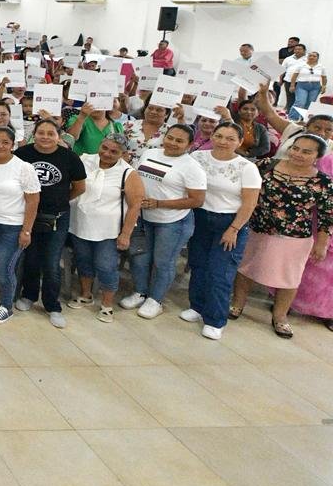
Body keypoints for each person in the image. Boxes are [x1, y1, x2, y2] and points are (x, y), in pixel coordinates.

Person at [231, 133, 333, 338]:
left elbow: (326, 215)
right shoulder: (267, 165)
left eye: (306, 152)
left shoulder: (323, 182)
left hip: (295, 237)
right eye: (296, 148)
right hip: (257, 228)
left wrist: (322, 244)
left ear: (317, 156)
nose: (298, 154)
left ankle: (280, 317)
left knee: (290, 278)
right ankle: (237, 304)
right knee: (245, 268)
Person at [182, 122, 262, 340]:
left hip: (230, 222)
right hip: (200, 217)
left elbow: (249, 203)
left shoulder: (246, 168)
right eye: (219, 136)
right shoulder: (197, 157)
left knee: (220, 273)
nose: (223, 142)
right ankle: (197, 306)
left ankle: (215, 320)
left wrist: (234, 228)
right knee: (198, 265)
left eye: (230, 138)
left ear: (240, 141)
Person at [121, 124, 207, 319]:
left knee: (163, 262)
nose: (173, 143)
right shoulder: (149, 154)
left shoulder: (192, 167)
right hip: (143, 217)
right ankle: (140, 292)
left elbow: (197, 200)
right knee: (139, 257)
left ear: (189, 145)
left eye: (179, 141)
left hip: (172, 222)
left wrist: (160, 203)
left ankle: (156, 300)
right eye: (170, 137)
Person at [13, 119, 87, 328]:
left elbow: (79, 187)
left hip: (57, 217)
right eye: (41, 133)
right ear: (34, 134)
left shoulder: (70, 157)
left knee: (52, 262)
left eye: (50, 133)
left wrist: (61, 200)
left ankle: (52, 305)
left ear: (58, 136)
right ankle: (29, 295)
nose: (45, 137)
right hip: (29, 216)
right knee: (31, 258)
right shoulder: (22, 154)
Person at [68, 132, 143, 322]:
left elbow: (135, 205)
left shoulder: (128, 173)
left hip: (108, 230)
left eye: (114, 152)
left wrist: (126, 234)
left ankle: (107, 304)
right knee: (83, 261)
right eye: (105, 148)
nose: (107, 154)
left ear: (123, 154)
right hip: (80, 223)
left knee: (106, 266)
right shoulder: (85, 160)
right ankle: (86, 295)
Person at [0, 127, 41, 323]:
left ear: (13, 145)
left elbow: (33, 201)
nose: (0, 145)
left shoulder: (24, 167)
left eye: (5, 142)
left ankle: (6, 305)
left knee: (4, 267)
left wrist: (26, 231)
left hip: (12, 227)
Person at [289, 50, 326, 119]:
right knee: (300, 103)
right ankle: (293, 118)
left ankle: (304, 119)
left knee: (309, 104)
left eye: (314, 56)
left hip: (315, 87)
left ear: (317, 58)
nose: (311, 57)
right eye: (310, 56)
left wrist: (324, 86)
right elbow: (294, 76)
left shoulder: (321, 67)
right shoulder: (301, 65)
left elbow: (324, 77)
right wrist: (292, 85)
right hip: (302, 86)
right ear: (307, 57)